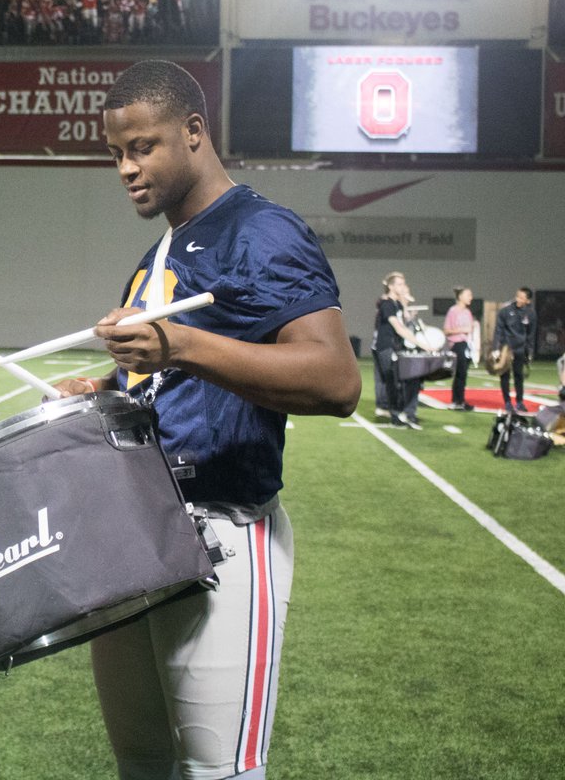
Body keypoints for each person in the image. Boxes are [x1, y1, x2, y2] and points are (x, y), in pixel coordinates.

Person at [53, 60, 360, 780]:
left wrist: (180, 344)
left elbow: (336, 379)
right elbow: (165, 382)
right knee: (144, 765)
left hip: (221, 530)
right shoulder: (158, 251)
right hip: (136, 533)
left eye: (142, 147)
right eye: (115, 154)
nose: (126, 168)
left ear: (194, 132)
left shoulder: (262, 231)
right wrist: (100, 386)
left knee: (217, 771)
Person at [372, 272, 423, 429]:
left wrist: (406, 301)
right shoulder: (387, 304)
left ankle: (402, 412)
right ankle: (395, 415)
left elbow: (407, 320)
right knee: (392, 382)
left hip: (396, 346)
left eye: (403, 283)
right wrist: (422, 344)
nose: (403, 287)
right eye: (399, 284)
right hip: (386, 346)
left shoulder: (397, 304)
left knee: (401, 381)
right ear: (391, 286)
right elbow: (399, 328)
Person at [493, 287, 537, 412]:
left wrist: (529, 351)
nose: (518, 299)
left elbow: (531, 334)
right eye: (518, 295)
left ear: (528, 300)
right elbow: (499, 330)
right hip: (506, 348)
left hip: (520, 349)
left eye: (522, 297)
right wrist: (496, 347)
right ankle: (507, 402)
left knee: (519, 376)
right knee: (505, 375)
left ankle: (519, 401)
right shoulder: (506, 311)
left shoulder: (531, 313)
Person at [442, 285, 476, 410]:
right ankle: (457, 400)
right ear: (460, 296)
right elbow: (446, 330)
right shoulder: (453, 311)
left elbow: (471, 329)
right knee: (460, 374)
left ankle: (460, 400)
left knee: (463, 374)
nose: (471, 298)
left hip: (466, 344)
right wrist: (462, 330)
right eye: (468, 295)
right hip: (457, 344)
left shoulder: (467, 312)